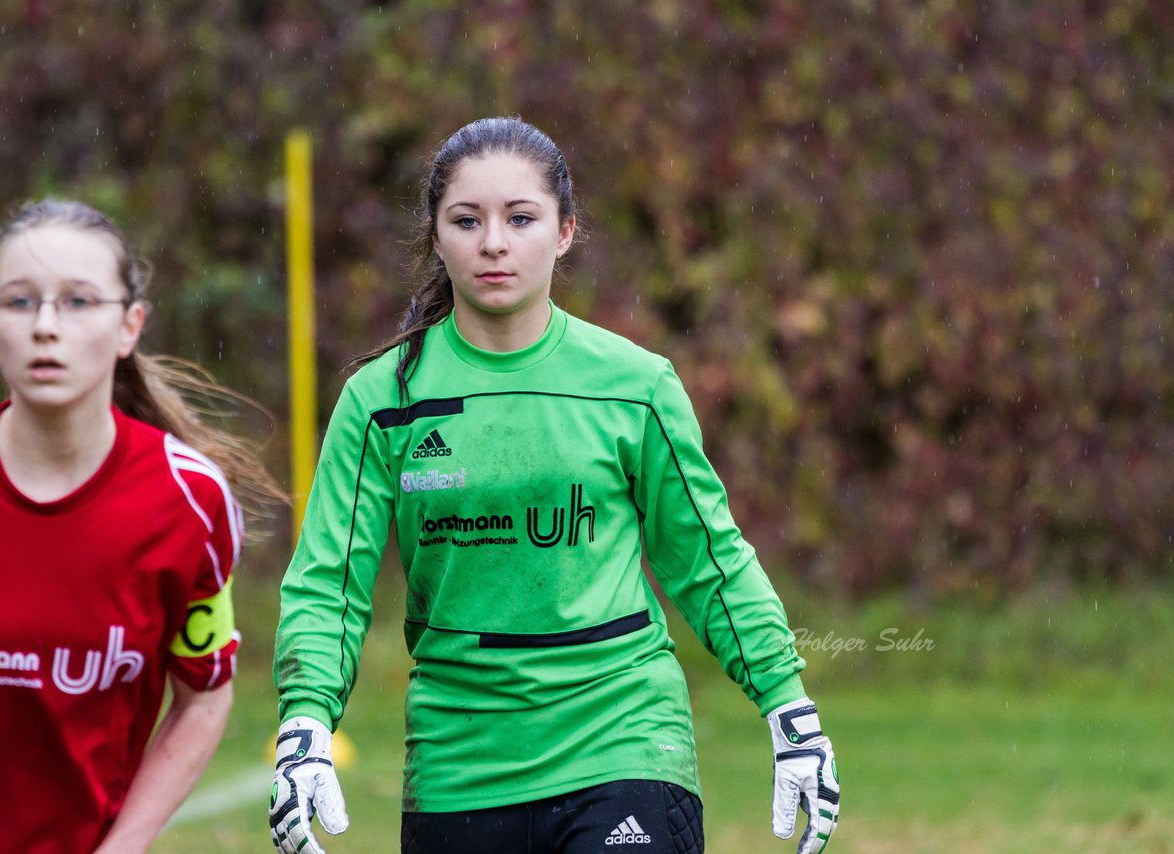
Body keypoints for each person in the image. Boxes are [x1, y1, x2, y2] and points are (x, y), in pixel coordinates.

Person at [269, 117, 840, 854]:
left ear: (565, 231)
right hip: (459, 767)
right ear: (437, 236)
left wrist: (787, 705)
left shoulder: (635, 386)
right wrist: (306, 719)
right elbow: (329, 583)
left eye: (521, 218)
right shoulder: (382, 400)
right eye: (467, 220)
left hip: (624, 743)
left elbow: (708, 561)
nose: (494, 243)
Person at [0, 199, 284, 853]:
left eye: (78, 302)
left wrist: (122, 846)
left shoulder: (188, 503)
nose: (46, 325)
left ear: (129, 326)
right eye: (20, 302)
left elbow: (204, 697)